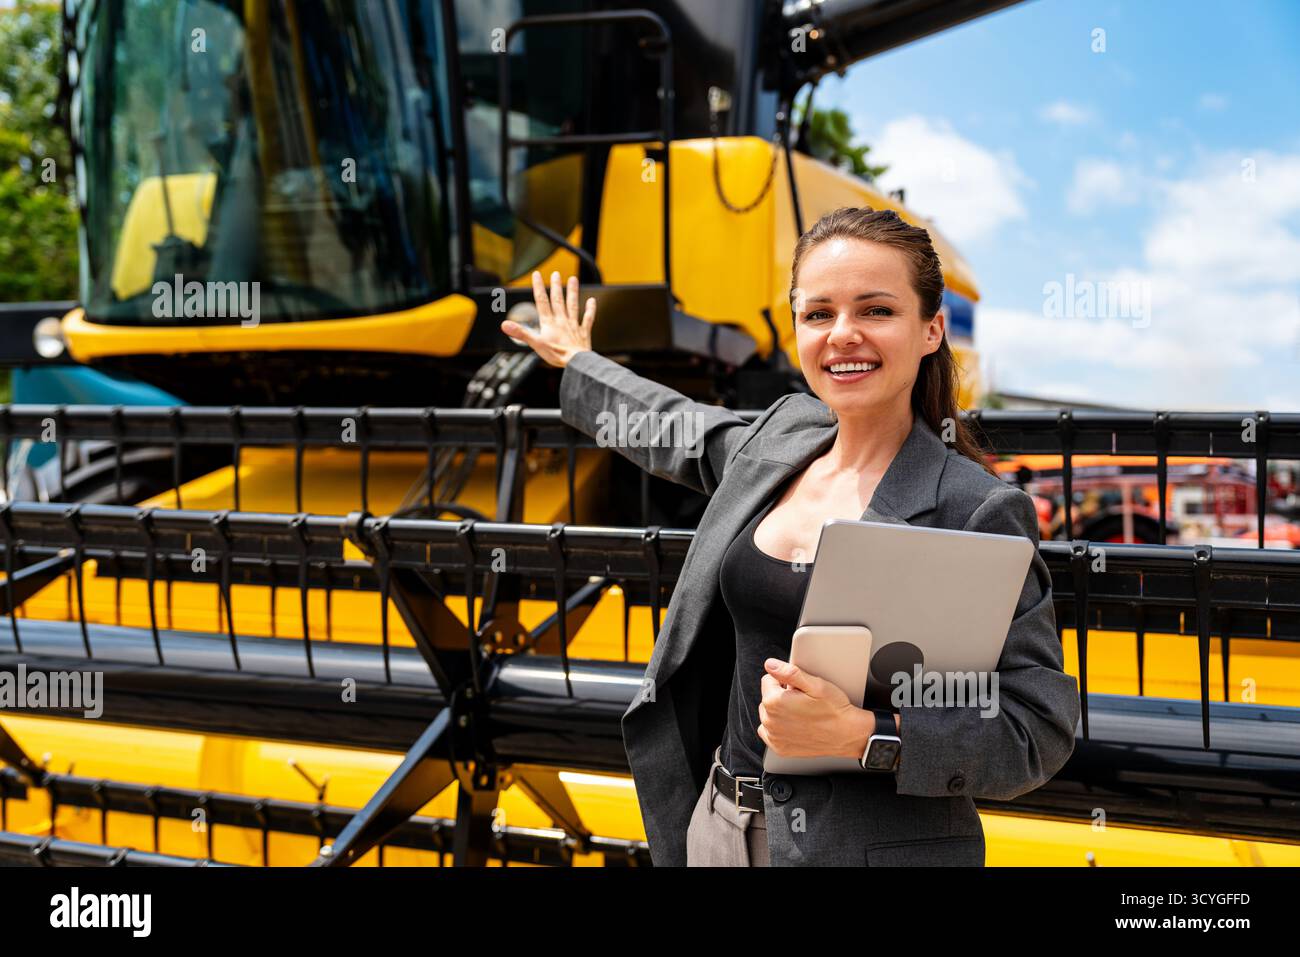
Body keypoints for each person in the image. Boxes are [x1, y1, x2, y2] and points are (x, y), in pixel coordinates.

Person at [501, 206, 1081, 867]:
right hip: (718, 827)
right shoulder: (780, 439)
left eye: (876, 311)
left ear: (931, 330)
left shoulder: (976, 508)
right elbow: (676, 428)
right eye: (818, 313)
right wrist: (580, 362)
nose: (843, 335)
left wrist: (865, 733)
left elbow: (1038, 725)